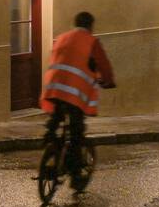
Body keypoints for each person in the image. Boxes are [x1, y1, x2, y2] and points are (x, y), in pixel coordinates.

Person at [40, 11, 116, 171]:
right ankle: (75, 175)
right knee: (76, 132)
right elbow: (104, 65)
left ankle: (50, 136)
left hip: (53, 88)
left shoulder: (61, 38)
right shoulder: (91, 42)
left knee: (57, 116)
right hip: (73, 94)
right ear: (90, 26)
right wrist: (109, 81)